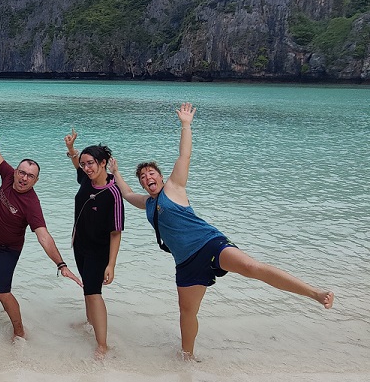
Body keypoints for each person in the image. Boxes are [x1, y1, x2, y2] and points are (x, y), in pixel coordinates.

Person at [112, 103, 334, 358]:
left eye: (151, 173)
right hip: (185, 262)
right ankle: (187, 359)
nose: (146, 177)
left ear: (161, 177)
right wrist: (116, 172)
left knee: (252, 268)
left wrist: (186, 125)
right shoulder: (149, 204)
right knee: (187, 313)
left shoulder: (174, 187)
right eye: (142, 176)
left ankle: (315, 293)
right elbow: (127, 194)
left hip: (209, 244)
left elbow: (184, 157)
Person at [0, 108, 81, 341]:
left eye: (29, 176)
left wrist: (61, 264)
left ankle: (19, 331)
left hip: (7, 251)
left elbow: (43, 236)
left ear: (36, 180)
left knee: (3, 290)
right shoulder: (7, 175)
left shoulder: (31, 203)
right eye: (21, 172)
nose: (23, 178)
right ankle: (6, 306)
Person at [63, 132, 124, 358]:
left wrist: (111, 264)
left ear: (103, 163)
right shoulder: (87, 179)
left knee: (93, 291)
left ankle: (102, 345)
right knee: (88, 289)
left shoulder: (113, 192)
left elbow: (116, 232)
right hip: (80, 245)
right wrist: (72, 149)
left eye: (91, 164)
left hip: (99, 250)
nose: (87, 168)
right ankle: (90, 323)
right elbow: (77, 167)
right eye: (84, 164)